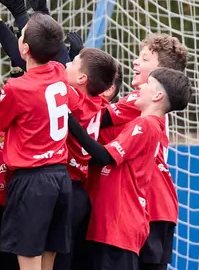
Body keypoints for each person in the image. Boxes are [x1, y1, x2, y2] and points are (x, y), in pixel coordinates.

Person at [68, 68, 192, 270]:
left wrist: (69, 121)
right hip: (114, 225)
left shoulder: (145, 125)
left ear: (158, 95)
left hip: (120, 226)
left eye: (147, 84)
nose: (140, 87)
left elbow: (104, 156)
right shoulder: (147, 124)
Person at [92, 34, 188, 270]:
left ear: (162, 73)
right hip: (158, 205)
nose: (135, 62)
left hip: (149, 204)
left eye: (144, 58)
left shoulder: (139, 100)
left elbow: (92, 119)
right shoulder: (147, 106)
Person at [0, 14, 72, 270]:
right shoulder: (59, 72)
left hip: (32, 183)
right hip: (60, 178)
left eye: (21, 35)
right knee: (48, 262)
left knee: (29, 264)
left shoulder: (17, 87)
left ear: (24, 48)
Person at [55, 48, 117, 270]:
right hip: (79, 193)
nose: (66, 65)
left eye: (72, 63)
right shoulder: (100, 103)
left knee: (56, 258)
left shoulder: (72, 99)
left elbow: (46, 64)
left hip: (66, 189)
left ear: (82, 78)